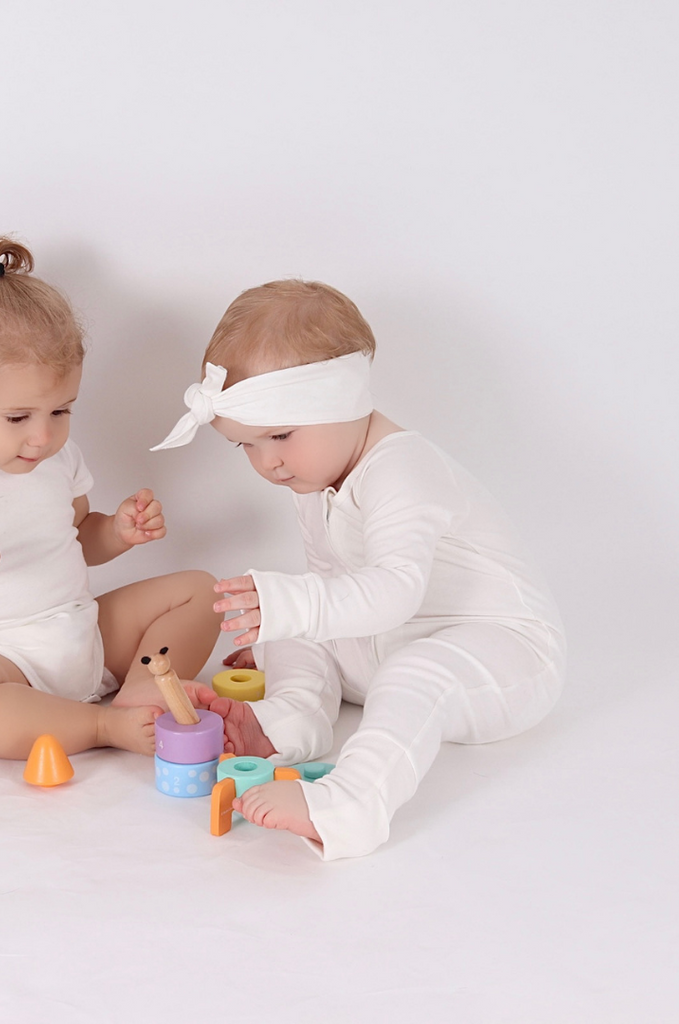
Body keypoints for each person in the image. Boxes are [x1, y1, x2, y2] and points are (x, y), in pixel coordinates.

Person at [152, 279, 565, 859]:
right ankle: (289, 721)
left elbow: (394, 591)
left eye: (279, 436)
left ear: (339, 402)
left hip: (500, 650)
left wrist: (291, 605)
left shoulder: (403, 469)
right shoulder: (312, 476)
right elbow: (331, 583)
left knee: (410, 670)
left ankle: (349, 805)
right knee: (304, 625)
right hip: (386, 642)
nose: (267, 463)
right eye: (245, 445)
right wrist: (286, 626)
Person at [0, 236, 221, 760]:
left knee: (201, 590)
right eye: (18, 417)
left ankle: (142, 691)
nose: (43, 437)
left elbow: (76, 539)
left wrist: (116, 533)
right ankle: (101, 725)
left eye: (61, 411)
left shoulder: (53, 458)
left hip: (82, 635)